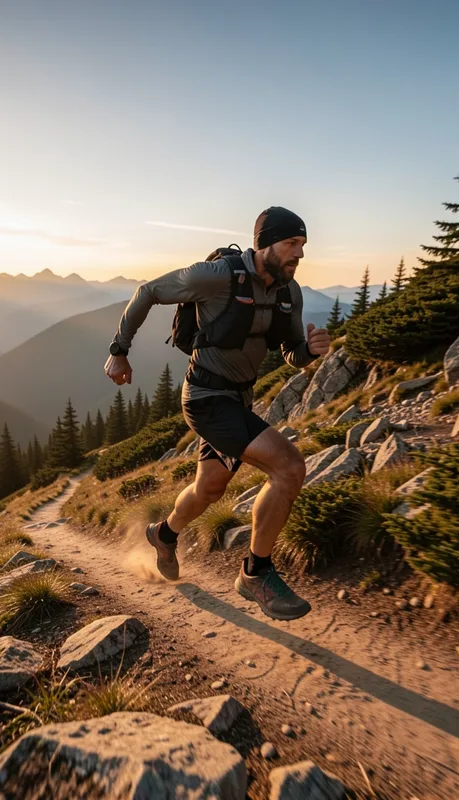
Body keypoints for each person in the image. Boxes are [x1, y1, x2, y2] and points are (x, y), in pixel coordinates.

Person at [104, 207, 331, 620]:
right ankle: (255, 573)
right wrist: (119, 352)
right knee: (289, 467)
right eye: (290, 244)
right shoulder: (217, 276)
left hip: (239, 400)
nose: (298, 254)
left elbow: (290, 352)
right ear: (264, 243)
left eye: (302, 246)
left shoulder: (288, 291)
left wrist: (309, 352)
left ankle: (163, 534)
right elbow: (147, 291)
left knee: (209, 488)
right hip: (206, 398)